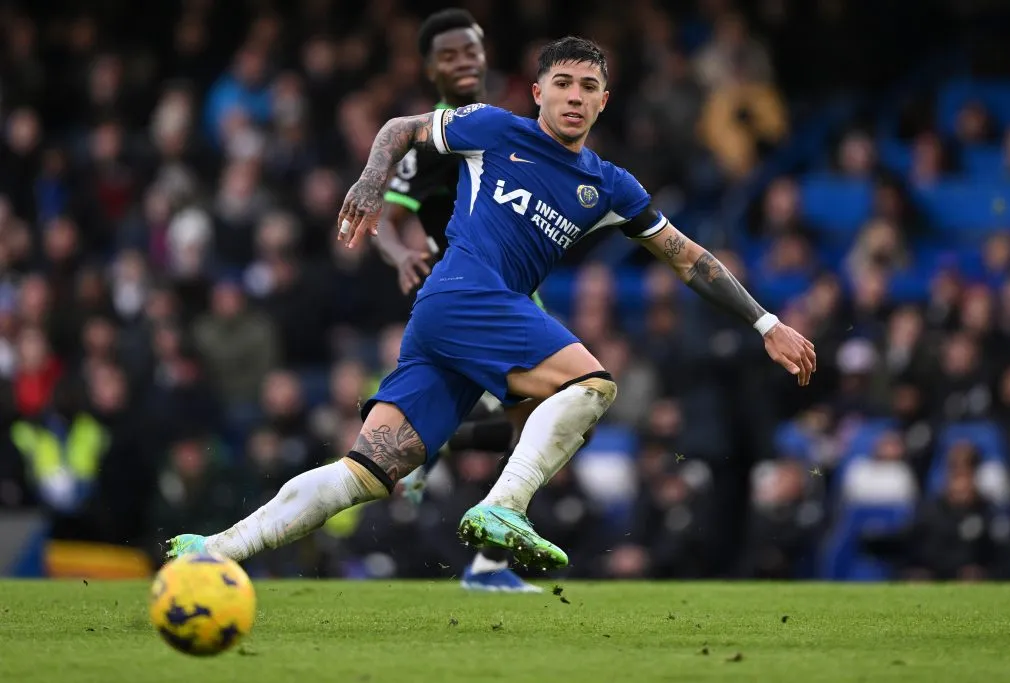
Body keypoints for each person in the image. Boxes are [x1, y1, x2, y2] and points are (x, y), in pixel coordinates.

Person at [166, 36, 815, 573]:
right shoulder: (493, 129)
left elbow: (689, 258)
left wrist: (765, 321)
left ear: (604, 101)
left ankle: (214, 549)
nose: (575, 96)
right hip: (463, 290)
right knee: (591, 384)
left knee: (365, 471)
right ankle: (505, 504)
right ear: (538, 92)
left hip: (447, 320)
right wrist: (369, 181)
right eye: (563, 82)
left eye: (589, 87)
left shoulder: (609, 185)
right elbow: (400, 128)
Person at [374, 7, 541, 592]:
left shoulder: (500, 125)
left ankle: (437, 445)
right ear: (429, 69)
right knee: (549, 416)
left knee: (555, 423)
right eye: (449, 55)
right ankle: (490, 565)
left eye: (470, 50)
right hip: (470, 295)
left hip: (518, 289)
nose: (464, 62)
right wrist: (401, 257)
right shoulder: (434, 143)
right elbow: (389, 221)